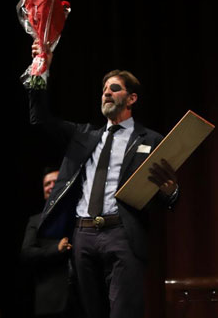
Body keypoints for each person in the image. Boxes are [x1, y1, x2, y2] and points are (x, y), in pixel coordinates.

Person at [26, 41, 179, 318]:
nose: (107, 93)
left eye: (115, 88)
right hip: (83, 236)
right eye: (104, 90)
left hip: (122, 233)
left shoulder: (151, 140)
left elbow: (162, 193)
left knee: (123, 312)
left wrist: (171, 191)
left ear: (131, 98)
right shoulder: (84, 135)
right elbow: (40, 118)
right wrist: (40, 71)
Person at [20, 167, 82, 318]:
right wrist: (56, 249)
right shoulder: (36, 221)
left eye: (55, 182)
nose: (51, 186)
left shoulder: (79, 214)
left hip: (82, 298)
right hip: (51, 302)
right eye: (47, 184)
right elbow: (26, 253)